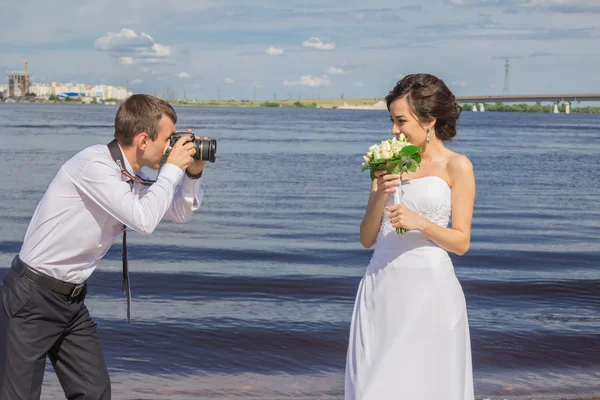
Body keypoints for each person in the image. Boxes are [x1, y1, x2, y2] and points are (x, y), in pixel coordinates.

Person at [0, 94, 207, 400]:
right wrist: (172, 169)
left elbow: (178, 211)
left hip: (70, 301)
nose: (171, 148)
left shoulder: (131, 176)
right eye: (168, 139)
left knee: (94, 392)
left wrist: (193, 173)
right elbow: (144, 220)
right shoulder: (94, 165)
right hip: (32, 297)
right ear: (142, 139)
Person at [345, 74, 476, 399]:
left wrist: (421, 223)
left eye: (401, 120)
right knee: (371, 386)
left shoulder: (457, 166)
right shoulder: (388, 160)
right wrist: (379, 191)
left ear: (429, 120)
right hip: (382, 284)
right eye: (391, 120)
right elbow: (366, 238)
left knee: (427, 384)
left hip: (430, 291)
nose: (393, 130)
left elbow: (461, 243)